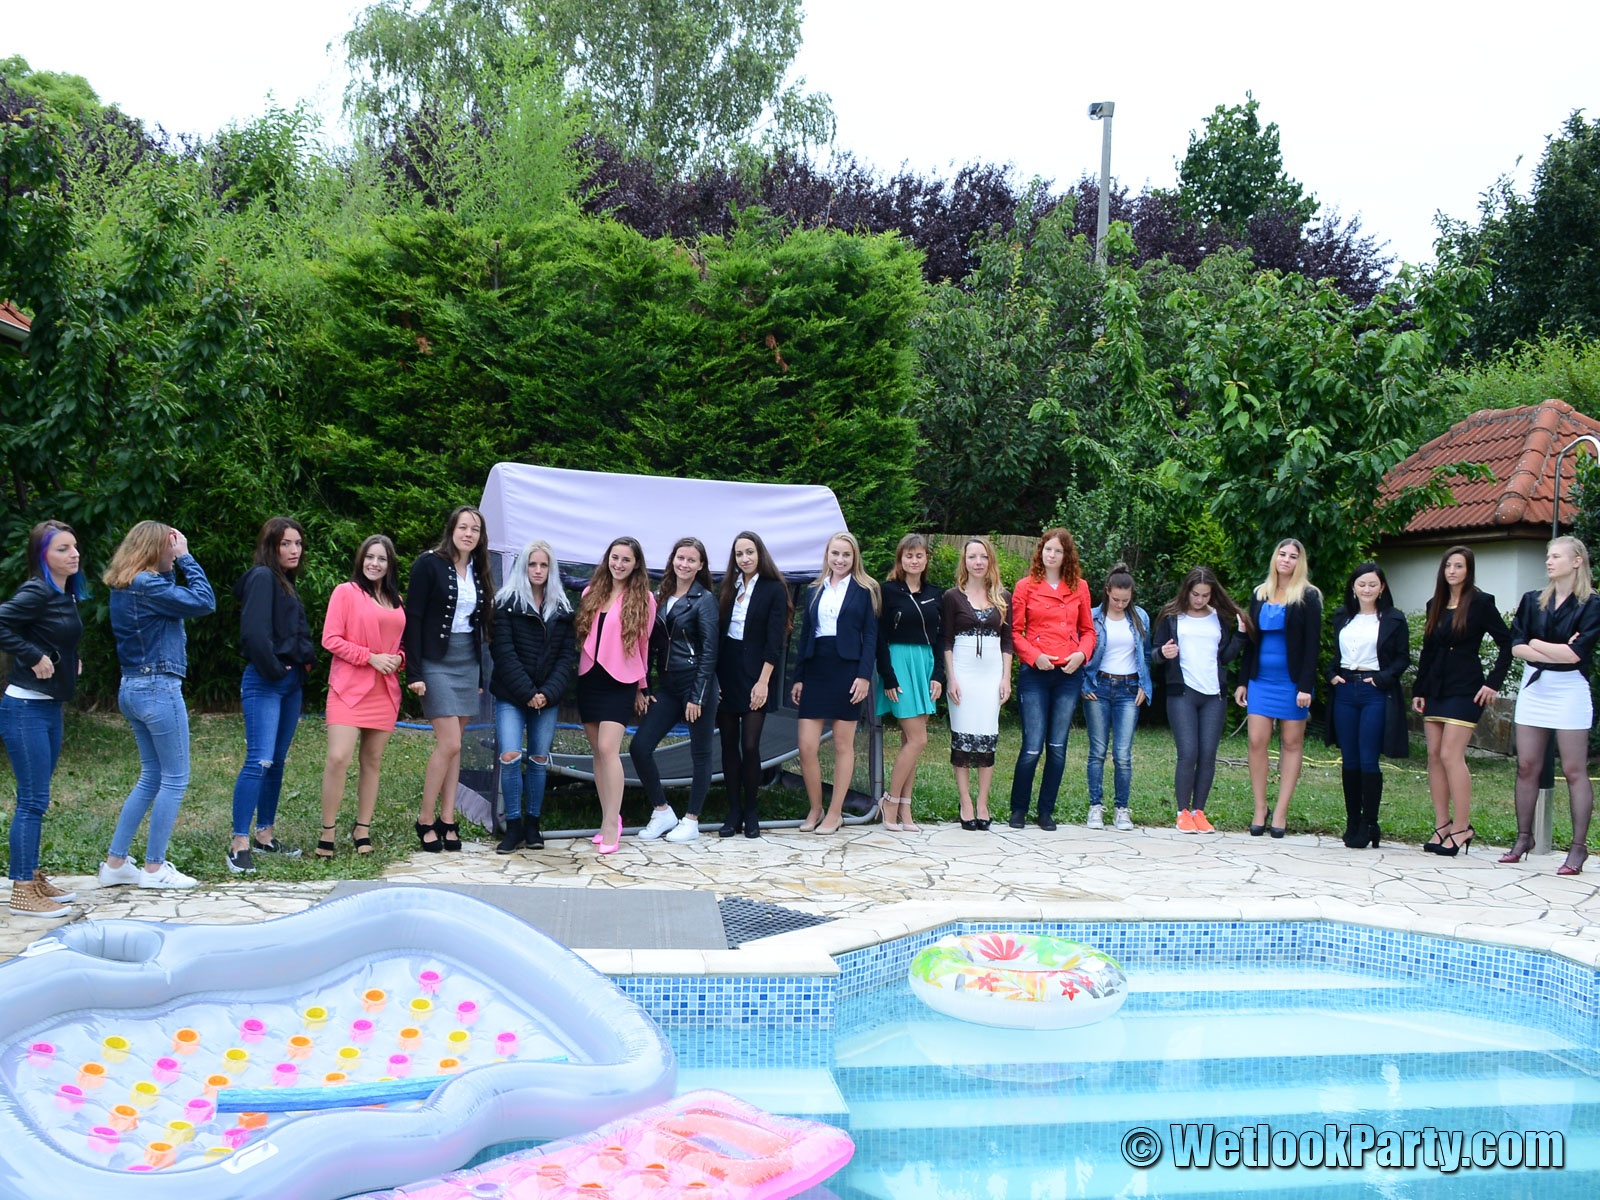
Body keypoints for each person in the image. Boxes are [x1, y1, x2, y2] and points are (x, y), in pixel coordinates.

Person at [98, 522, 215, 890]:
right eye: (171, 547)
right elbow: (204, 601)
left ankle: (116, 864)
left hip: (131, 687)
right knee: (175, 779)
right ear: (154, 549)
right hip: (157, 689)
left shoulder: (125, 584)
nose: (174, 552)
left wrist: (173, 562)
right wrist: (187, 559)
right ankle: (154, 868)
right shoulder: (148, 585)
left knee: (151, 776)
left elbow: (176, 599)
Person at [0, 521, 85, 918]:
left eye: (74, 547)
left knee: (38, 797)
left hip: (48, 707)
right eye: (62, 549)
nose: (74, 554)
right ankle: (21, 890)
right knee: (32, 800)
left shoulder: (64, 593)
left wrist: (69, 660)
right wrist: (32, 656)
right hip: (26, 709)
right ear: (42, 556)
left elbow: (55, 636)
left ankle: (33, 875)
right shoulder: (36, 591)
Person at [1501, 536, 1600, 874]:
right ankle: (1523, 837)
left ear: (1577, 561)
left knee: (1573, 770)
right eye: (1548, 555)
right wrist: (1548, 648)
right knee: (1527, 765)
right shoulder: (1532, 600)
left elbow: (1575, 655)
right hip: (1535, 687)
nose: (1549, 561)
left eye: (1556, 556)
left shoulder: (1592, 604)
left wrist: (1537, 643)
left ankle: (1578, 848)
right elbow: (1516, 646)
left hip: (1570, 689)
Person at [227, 517, 315, 874]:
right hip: (266, 681)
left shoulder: (285, 581)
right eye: (285, 544)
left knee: (276, 761)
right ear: (270, 546)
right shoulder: (263, 577)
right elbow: (254, 635)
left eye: (298, 543)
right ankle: (238, 843)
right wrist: (277, 670)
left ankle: (265, 836)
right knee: (259, 760)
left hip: (289, 684)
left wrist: (298, 670)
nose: (294, 550)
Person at [1411, 546, 1512, 856]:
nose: (1452, 571)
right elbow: (1428, 650)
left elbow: (1507, 644)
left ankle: (1462, 827)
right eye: (1448, 566)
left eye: (1459, 566)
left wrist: (1492, 683)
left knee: (1450, 754)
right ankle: (1442, 824)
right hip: (1436, 687)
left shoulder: (1481, 603)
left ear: (1469, 571)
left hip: (1466, 687)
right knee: (1433, 755)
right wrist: (1419, 689)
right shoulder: (1435, 604)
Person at [404, 506, 494, 852]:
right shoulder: (429, 564)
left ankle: (447, 818)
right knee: (450, 743)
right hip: (435, 662)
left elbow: (479, 627)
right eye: (463, 527)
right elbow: (414, 617)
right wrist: (414, 671)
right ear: (452, 529)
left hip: (467, 663)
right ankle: (425, 818)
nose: (469, 533)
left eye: (475, 529)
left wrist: (480, 674)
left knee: (455, 748)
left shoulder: (479, 570)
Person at [318, 535, 406, 859]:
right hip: (348, 688)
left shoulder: (396, 600)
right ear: (361, 559)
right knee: (338, 757)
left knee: (372, 761)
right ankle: (328, 830)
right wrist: (369, 657)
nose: (374, 563)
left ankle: (362, 829)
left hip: (384, 691)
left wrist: (399, 658)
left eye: (381, 559)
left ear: (390, 564)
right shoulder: (346, 592)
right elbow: (330, 639)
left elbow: (401, 643)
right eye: (370, 557)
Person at [631, 537, 720, 843]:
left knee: (700, 752)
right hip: (668, 686)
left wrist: (698, 696)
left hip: (696, 683)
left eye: (691, 560)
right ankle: (662, 811)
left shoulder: (705, 600)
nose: (684, 564)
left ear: (700, 565)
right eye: (680, 558)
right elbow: (649, 645)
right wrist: (645, 685)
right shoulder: (661, 596)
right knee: (640, 746)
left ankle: (691, 820)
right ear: (672, 560)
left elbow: (710, 651)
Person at [490, 539, 575, 855]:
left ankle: (532, 824)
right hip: (512, 696)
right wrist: (528, 693)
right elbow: (503, 652)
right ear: (523, 566)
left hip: (546, 699)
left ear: (551, 569)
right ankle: (512, 825)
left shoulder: (562, 608)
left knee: (539, 760)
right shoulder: (505, 603)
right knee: (510, 756)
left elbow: (566, 657)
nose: (538, 570)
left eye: (544, 565)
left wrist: (547, 694)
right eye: (532, 564)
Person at [792, 532, 881, 835]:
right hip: (816, 667)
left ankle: (835, 812)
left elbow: (871, 636)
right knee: (806, 746)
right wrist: (799, 676)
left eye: (846, 554)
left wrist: (864, 676)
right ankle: (815, 807)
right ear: (827, 555)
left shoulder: (865, 589)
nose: (840, 559)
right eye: (835, 553)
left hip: (848, 670)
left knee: (844, 745)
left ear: (854, 557)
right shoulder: (814, 589)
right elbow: (806, 634)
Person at [1007, 528, 1095, 831]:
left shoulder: (1080, 587)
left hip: (1068, 673)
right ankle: (1018, 809)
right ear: (1040, 552)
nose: (1052, 555)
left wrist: (1081, 655)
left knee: (1057, 746)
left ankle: (1046, 811)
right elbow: (1015, 632)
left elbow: (1089, 631)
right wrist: (1034, 656)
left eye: (1058, 551)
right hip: (1036, 673)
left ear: (1066, 555)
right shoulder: (1025, 586)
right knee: (1032, 746)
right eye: (1048, 550)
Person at [1236, 538, 1322, 838]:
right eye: (1282, 554)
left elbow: (1312, 645)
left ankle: (1281, 812)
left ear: (1300, 562)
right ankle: (1260, 808)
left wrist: (1305, 686)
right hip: (1261, 680)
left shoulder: (1308, 596)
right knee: (1256, 741)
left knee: (1291, 743)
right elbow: (1251, 640)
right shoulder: (1260, 593)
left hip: (1292, 683)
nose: (1286, 560)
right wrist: (1243, 681)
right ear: (1275, 558)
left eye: (1293, 556)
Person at [1151, 566, 1248, 832]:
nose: (1200, 599)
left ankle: (1199, 812)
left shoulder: (1219, 617)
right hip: (1182, 692)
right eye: (1195, 594)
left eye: (1205, 595)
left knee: (1207, 754)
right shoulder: (1172, 616)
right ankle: (1182, 812)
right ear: (1187, 590)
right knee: (1188, 752)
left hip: (1214, 694)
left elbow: (1224, 657)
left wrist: (1240, 636)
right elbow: (1154, 653)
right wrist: (1163, 653)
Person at [575, 536, 655, 853]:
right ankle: (608, 816)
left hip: (621, 681)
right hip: (589, 679)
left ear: (636, 565)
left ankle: (612, 824)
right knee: (597, 752)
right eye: (615, 557)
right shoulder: (590, 592)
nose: (619, 564)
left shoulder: (645, 599)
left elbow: (643, 647)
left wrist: (642, 687)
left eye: (626, 559)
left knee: (609, 749)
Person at [1325, 562, 1411, 849]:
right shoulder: (1343, 616)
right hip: (1345, 690)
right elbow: (1335, 654)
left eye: (1372, 584)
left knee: (1367, 758)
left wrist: (1382, 679)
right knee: (1349, 758)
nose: (1366, 589)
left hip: (1374, 691)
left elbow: (1402, 658)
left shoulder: (1393, 619)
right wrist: (1331, 674)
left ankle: (1370, 823)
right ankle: (1352, 820)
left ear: (1382, 587)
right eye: (1361, 584)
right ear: (1353, 587)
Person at [715, 532, 790, 839]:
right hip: (727, 670)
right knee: (728, 744)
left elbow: (775, 640)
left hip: (757, 672)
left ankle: (751, 810)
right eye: (739, 554)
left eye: (749, 552)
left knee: (749, 745)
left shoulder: (773, 589)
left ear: (760, 554)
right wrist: (714, 677)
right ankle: (733, 811)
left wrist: (763, 681)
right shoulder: (727, 588)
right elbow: (718, 634)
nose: (744, 558)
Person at [941, 537, 1013, 831]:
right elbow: (946, 640)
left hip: (991, 674)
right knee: (962, 738)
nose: (978, 562)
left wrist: (1006, 677)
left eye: (983, 556)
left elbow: (1007, 641)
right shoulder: (952, 597)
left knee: (986, 737)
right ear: (965, 561)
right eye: (972, 557)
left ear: (990, 560)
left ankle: (982, 802)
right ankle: (965, 802)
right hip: (963, 671)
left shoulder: (1003, 596)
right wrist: (951, 678)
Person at [875, 533, 944, 832]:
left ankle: (905, 808)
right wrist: (888, 675)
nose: (914, 560)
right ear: (900, 559)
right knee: (918, 740)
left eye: (919, 555)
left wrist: (938, 674)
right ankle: (889, 801)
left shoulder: (936, 593)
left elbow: (941, 638)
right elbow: (878, 637)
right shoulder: (887, 591)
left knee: (910, 743)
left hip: (924, 665)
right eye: (908, 555)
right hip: (898, 663)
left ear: (926, 559)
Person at [1082, 563, 1152, 831]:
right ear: (1107, 591)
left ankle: (1122, 809)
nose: (1121, 604)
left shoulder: (1140, 617)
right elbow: (1081, 651)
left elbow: (1146, 654)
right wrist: (1083, 684)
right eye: (1116, 599)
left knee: (1123, 754)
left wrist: (1145, 685)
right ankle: (1095, 806)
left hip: (1129, 689)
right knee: (1097, 751)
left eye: (1126, 600)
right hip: (1098, 687)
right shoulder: (1092, 617)